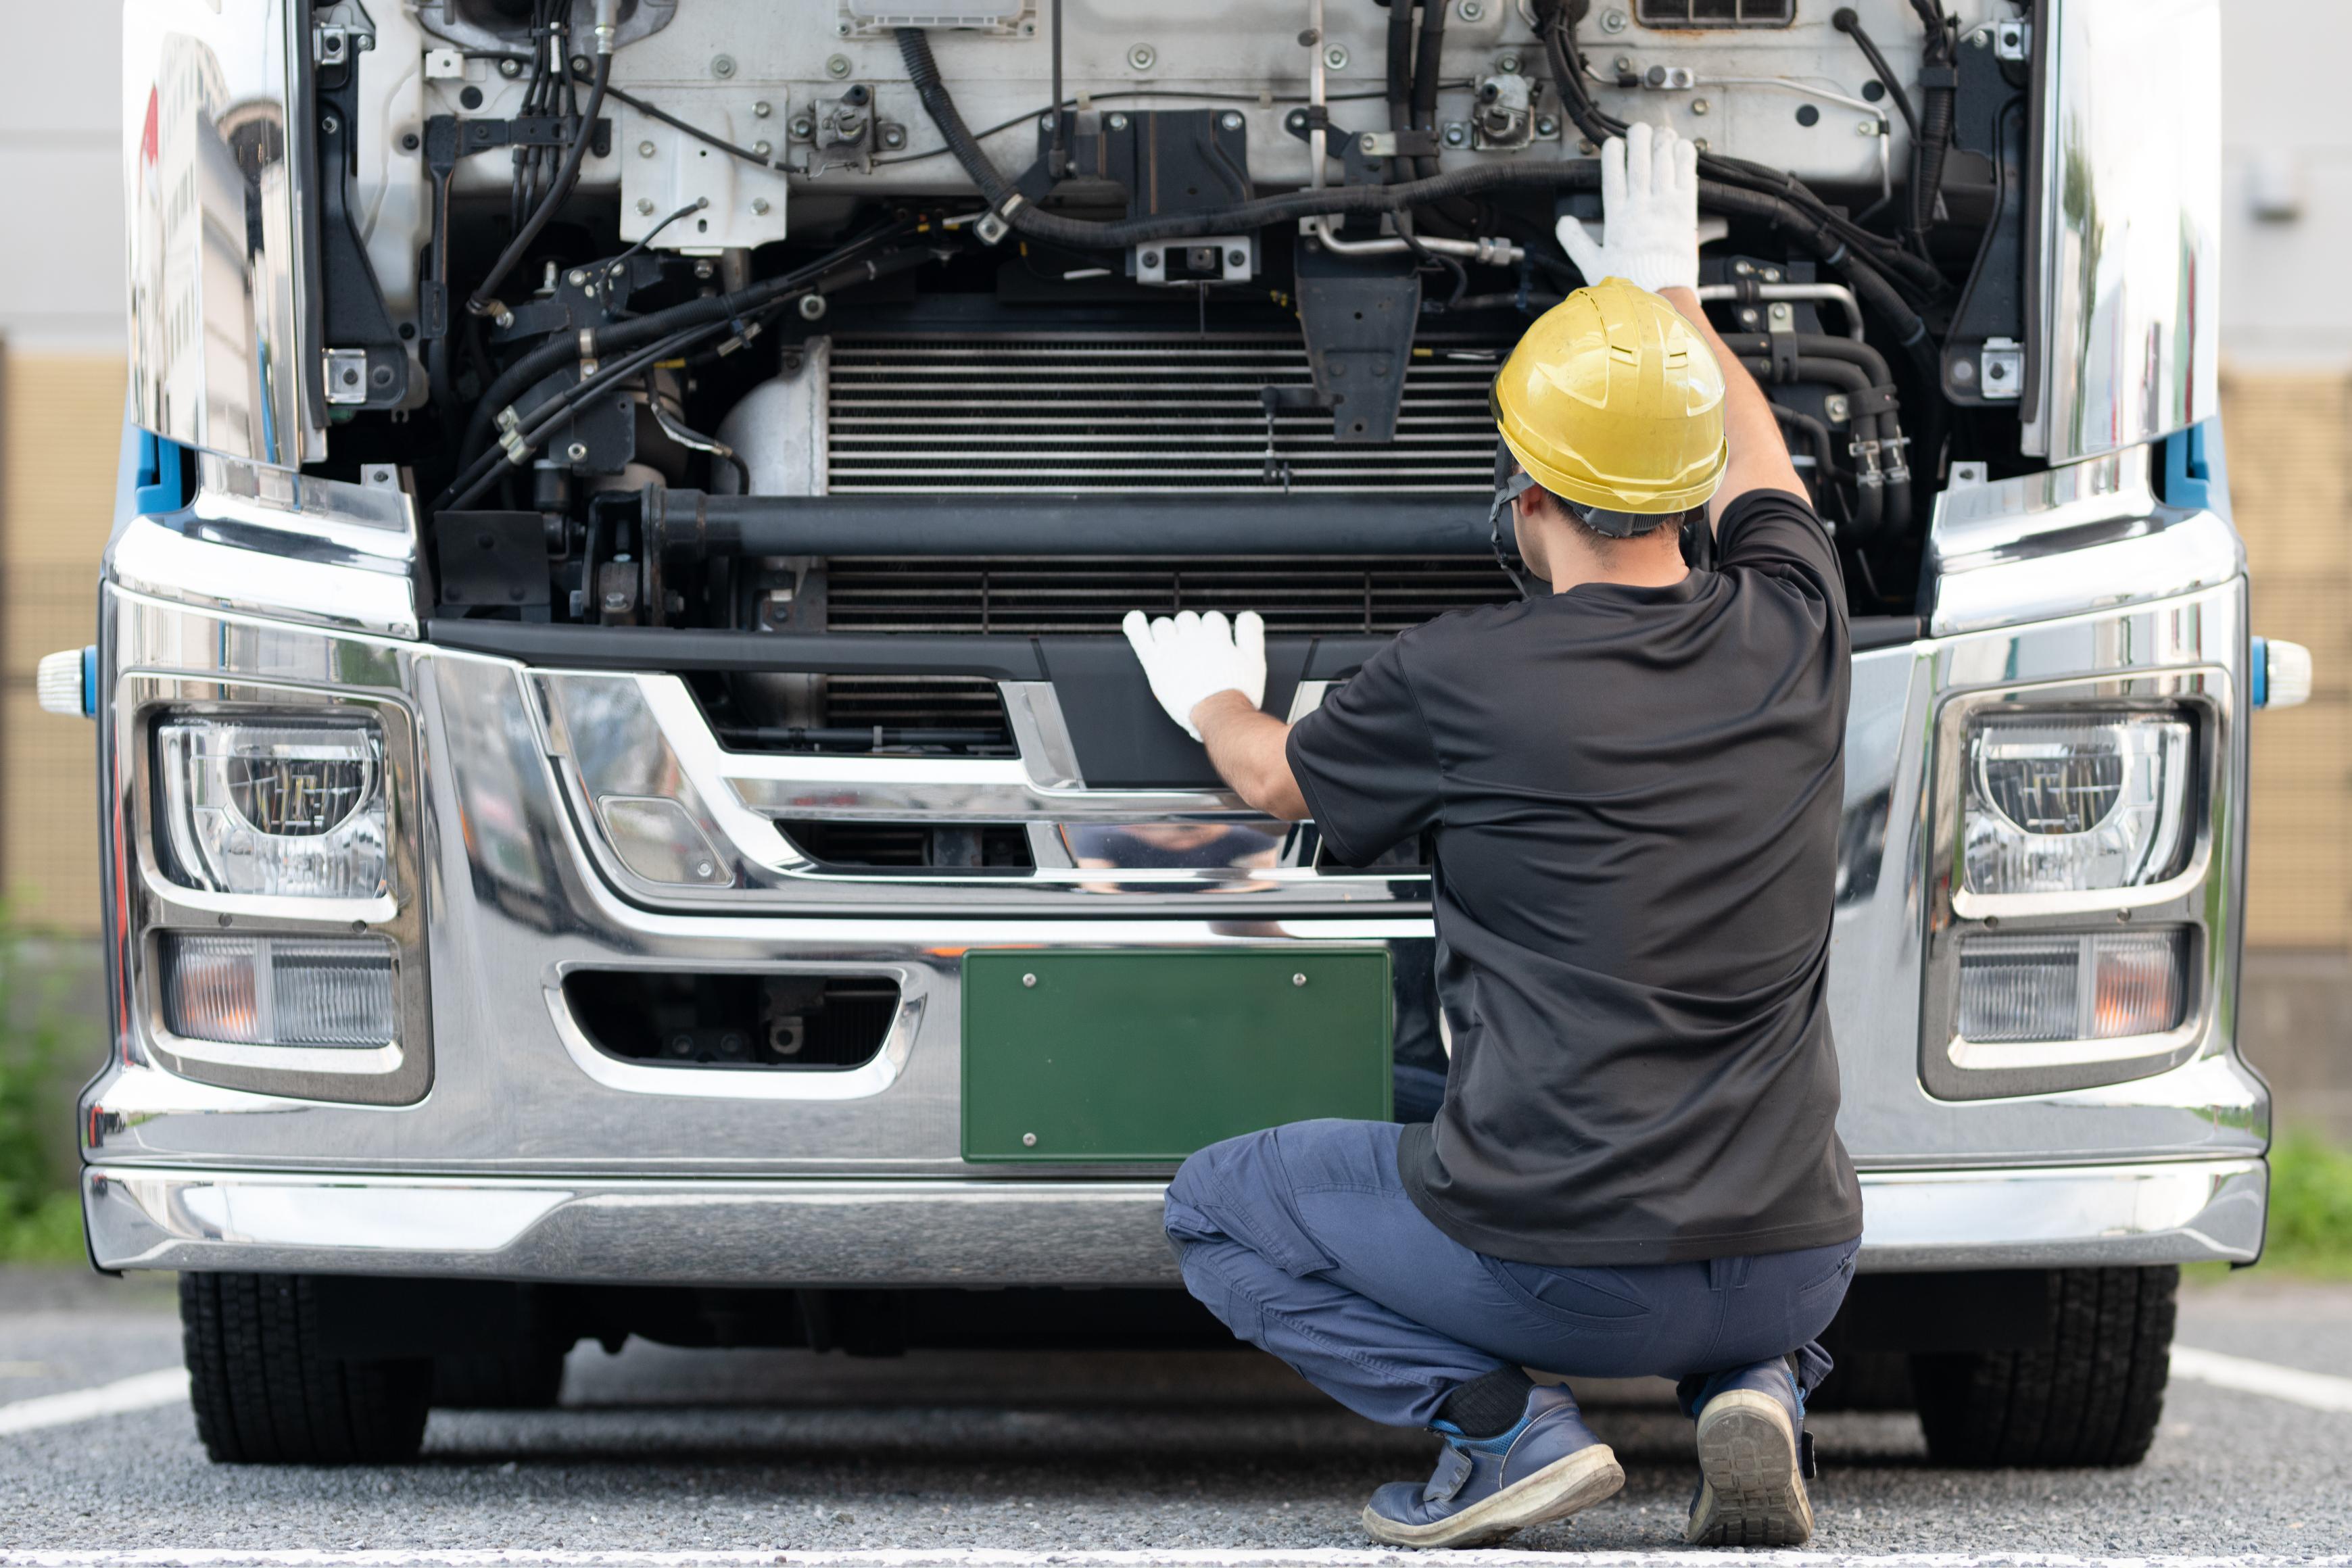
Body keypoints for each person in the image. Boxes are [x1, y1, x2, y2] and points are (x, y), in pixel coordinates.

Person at [1120, 122, 1861, 1550]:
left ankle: (1505, 1429)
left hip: (1559, 1270)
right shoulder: (1793, 625)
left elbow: (1275, 781)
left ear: (1525, 497)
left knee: (1217, 1204)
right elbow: (1763, 474)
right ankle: (1758, 1381)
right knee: (1705, 1198)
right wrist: (1670, 298)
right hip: (1799, 1258)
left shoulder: (1461, 678)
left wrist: (1211, 695)